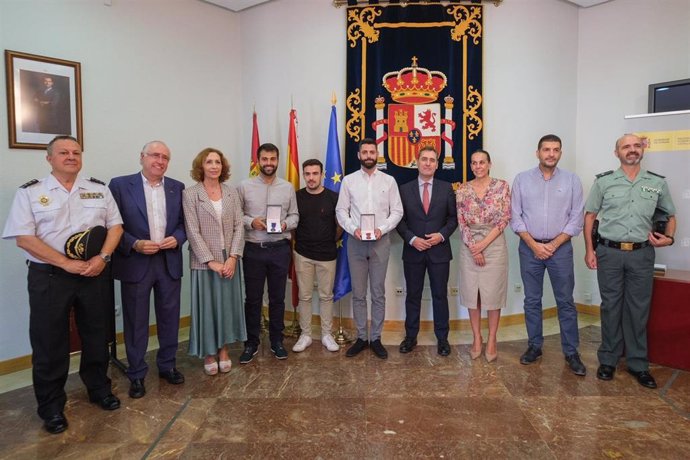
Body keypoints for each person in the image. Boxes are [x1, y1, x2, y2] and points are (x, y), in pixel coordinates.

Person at [2, 135, 123, 434]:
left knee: (97, 335)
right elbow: (23, 237)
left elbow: (115, 226)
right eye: (63, 152)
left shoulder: (98, 189)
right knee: (49, 342)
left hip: (94, 273)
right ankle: (52, 406)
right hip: (50, 277)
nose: (71, 156)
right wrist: (65, 262)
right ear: (49, 158)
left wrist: (104, 258)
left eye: (76, 152)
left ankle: (99, 389)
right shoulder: (31, 193)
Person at [584, 133, 676, 389]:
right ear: (617, 153)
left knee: (638, 309)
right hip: (609, 252)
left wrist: (668, 239)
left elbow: (670, 215)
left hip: (641, 254)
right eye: (626, 146)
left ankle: (638, 364)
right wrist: (589, 251)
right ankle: (608, 360)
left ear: (642, 149)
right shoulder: (604, 182)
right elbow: (590, 217)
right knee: (611, 306)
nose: (632, 150)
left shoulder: (656, 183)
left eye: (636, 146)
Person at [109, 141, 187, 399]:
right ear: (142, 157)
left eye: (165, 157)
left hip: (168, 262)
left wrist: (177, 238)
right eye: (155, 155)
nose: (160, 160)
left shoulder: (177, 187)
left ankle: (167, 365)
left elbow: (183, 225)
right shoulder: (119, 186)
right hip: (135, 263)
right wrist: (135, 244)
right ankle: (137, 373)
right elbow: (111, 226)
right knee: (136, 322)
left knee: (169, 318)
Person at [511, 134, 586, 375]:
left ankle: (571, 352)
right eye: (546, 149)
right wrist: (534, 245)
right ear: (538, 152)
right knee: (532, 300)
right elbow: (515, 216)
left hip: (561, 250)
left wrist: (553, 245)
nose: (550, 154)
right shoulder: (522, 180)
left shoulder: (572, 181)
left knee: (565, 301)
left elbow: (576, 218)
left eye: (555, 150)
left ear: (560, 153)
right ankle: (534, 346)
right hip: (529, 248)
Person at [336, 138, 403, 359]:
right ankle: (361, 338)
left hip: (379, 242)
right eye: (364, 152)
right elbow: (341, 212)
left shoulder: (389, 181)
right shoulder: (348, 181)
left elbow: (397, 212)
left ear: (377, 154)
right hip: (355, 242)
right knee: (358, 293)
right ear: (359, 155)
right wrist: (353, 229)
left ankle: (376, 338)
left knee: (377, 292)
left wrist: (381, 229)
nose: (368, 155)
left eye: (371, 152)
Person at [182, 148, 246, 375]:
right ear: (201, 166)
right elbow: (192, 231)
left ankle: (224, 350)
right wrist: (211, 262)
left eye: (217, 162)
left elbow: (239, 226)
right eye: (209, 162)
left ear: (223, 166)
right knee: (208, 308)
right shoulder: (190, 194)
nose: (214, 166)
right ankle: (209, 353)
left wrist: (233, 257)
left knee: (226, 307)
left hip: (229, 260)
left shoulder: (231, 193)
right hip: (203, 263)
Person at [237, 143, 299, 363]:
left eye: (273, 159)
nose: (269, 163)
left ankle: (276, 341)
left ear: (278, 160)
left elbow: (295, 216)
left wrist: (285, 224)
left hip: (279, 250)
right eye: (265, 159)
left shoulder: (287, 187)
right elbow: (237, 217)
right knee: (252, 299)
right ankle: (251, 342)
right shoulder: (244, 186)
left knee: (277, 299)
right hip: (253, 249)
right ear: (258, 160)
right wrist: (251, 221)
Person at [396, 146, 458, 356]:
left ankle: (442, 339)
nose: (428, 163)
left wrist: (441, 235)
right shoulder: (404, 189)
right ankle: (410, 337)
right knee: (412, 295)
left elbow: (453, 219)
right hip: (413, 251)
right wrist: (412, 239)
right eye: (424, 159)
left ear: (437, 164)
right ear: (417, 161)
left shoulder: (447, 187)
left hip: (439, 251)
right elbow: (399, 220)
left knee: (440, 295)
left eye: (432, 160)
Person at [455, 150, 510, 362]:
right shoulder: (462, 190)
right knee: (473, 294)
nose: (478, 166)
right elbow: (461, 221)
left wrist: (483, 245)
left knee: (492, 294)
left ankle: (492, 338)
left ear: (489, 164)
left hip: (494, 244)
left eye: (482, 162)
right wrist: (473, 247)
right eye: (474, 163)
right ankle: (477, 338)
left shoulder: (502, 186)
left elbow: (505, 218)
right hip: (469, 246)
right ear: (471, 166)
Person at [292, 159, 342, 353]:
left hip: (327, 254)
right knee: (304, 296)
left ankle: (327, 335)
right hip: (303, 253)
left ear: (322, 175)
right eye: (307, 174)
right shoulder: (296, 197)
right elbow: (293, 226)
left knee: (326, 296)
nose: (311, 178)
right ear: (304, 175)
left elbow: (339, 226)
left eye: (315, 173)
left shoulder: (333, 197)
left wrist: (327, 239)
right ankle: (305, 335)